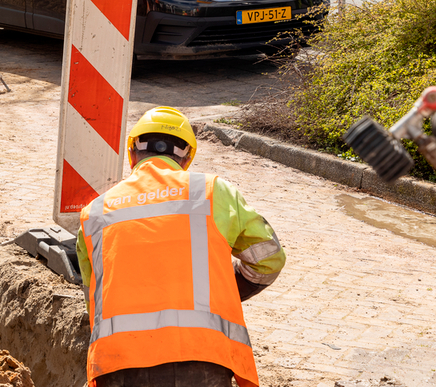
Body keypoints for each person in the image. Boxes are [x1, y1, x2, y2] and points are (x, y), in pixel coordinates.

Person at [76, 106, 285, 387]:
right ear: (186, 158)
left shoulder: (94, 214)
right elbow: (269, 259)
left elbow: (96, 298)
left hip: (119, 361)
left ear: (132, 154)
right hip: (203, 354)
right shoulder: (213, 192)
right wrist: (224, 290)